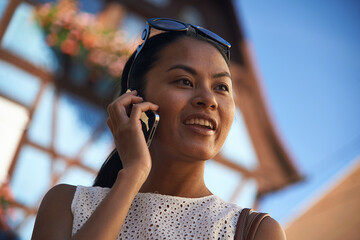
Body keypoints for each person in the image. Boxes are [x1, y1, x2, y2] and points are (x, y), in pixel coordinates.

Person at [31, 18, 286, 240]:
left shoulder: (256, 232)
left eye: (221, 87)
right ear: (135, 102)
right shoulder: (66, 205)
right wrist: (133, 173)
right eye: (184, 81)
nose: (208, 99)